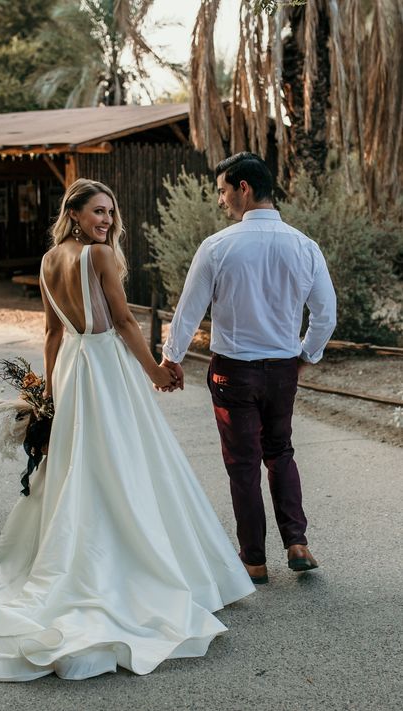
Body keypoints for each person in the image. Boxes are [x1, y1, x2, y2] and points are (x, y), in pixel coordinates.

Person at [0, 178, 254, 682]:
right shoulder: (98, 257)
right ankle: (133, 555)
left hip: (71, 365)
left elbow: (51, 333)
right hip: (105, 366)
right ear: (75, 214)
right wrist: (155, 370)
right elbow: (125, 322)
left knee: (83, 461)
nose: (106, 221)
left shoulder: (48, 262)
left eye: (110, 213)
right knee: (126, 457)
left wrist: (48, 391)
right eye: (97, 212)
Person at [161, 152, 337, 585]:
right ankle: (297, 542)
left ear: (243, 188)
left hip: (233, 371)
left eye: (222, 190)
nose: (220, 201)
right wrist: (304, 356)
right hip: (281, 368)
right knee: (281, 451)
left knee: (243, 463)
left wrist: (171, 359)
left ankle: (254, 561)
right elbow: (326, 315)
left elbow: (188, 312)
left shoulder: (218, 247)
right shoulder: (305, 245)